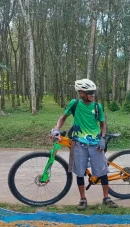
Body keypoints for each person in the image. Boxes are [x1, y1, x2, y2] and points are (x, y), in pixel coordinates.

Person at [50, 79, 118, 210]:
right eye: (89, 92)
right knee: (80, 172)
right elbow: (63, 117)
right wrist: (56, 129)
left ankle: (106, 198)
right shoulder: (74, 104)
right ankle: (82, 199)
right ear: (81, 93)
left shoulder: (98, 107)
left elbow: (103, 125)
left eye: (93, 92)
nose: (92, 94)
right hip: (79, 143)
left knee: (102, 172)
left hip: (96, 144)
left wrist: (102, 138)